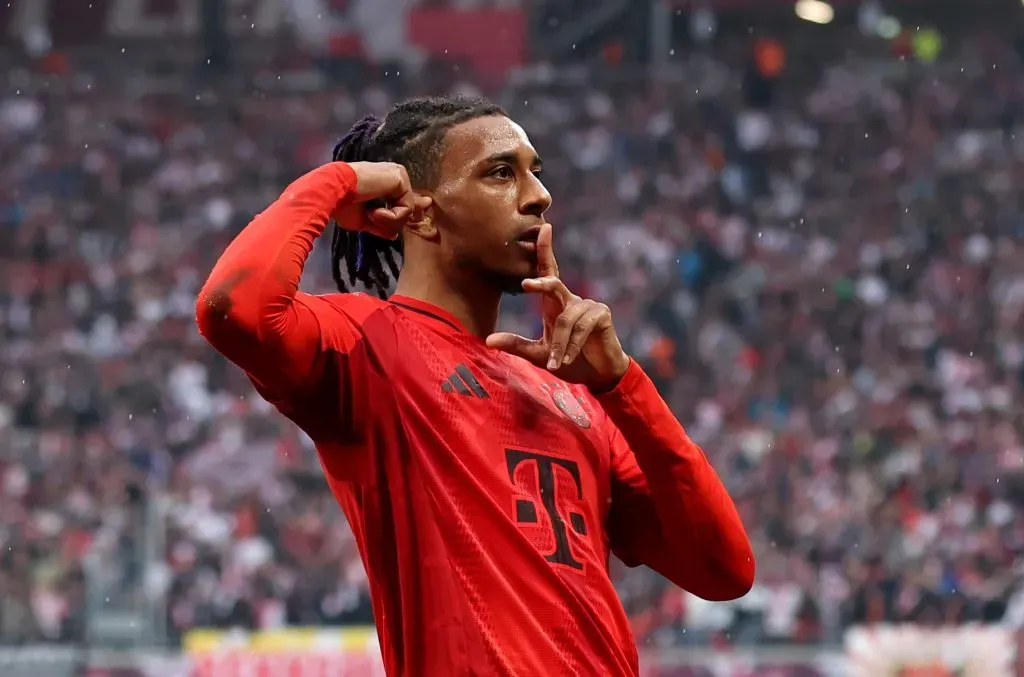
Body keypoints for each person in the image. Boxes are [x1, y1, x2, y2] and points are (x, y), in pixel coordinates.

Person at [196, 95, 754, 676]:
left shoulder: (572, 392)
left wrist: (624, 387)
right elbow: (234, 307)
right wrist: (336, 183)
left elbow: (724, 570)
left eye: (535, 172)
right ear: (423, 213)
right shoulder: (365, 345)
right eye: (500, 173)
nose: (539, 195)